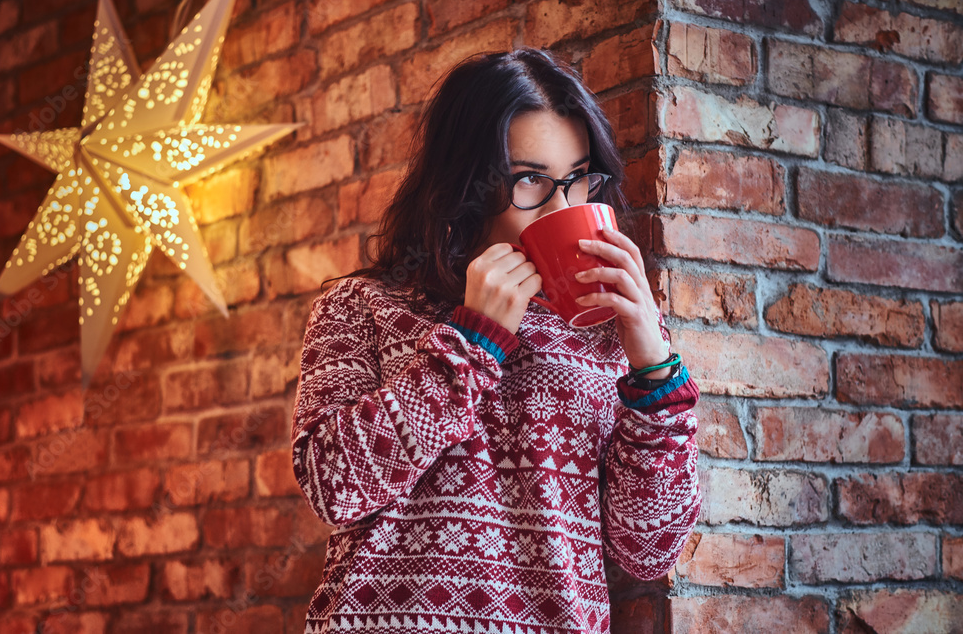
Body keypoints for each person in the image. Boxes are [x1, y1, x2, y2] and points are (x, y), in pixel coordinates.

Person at [290, 48, 700, 633]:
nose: (563, 206)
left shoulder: (614, 333)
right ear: (467, 184)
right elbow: (334, 487)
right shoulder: (363, 307)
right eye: (530, 179)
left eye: (578, 177)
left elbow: (648, 550)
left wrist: (654, 367)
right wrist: (471, 345)